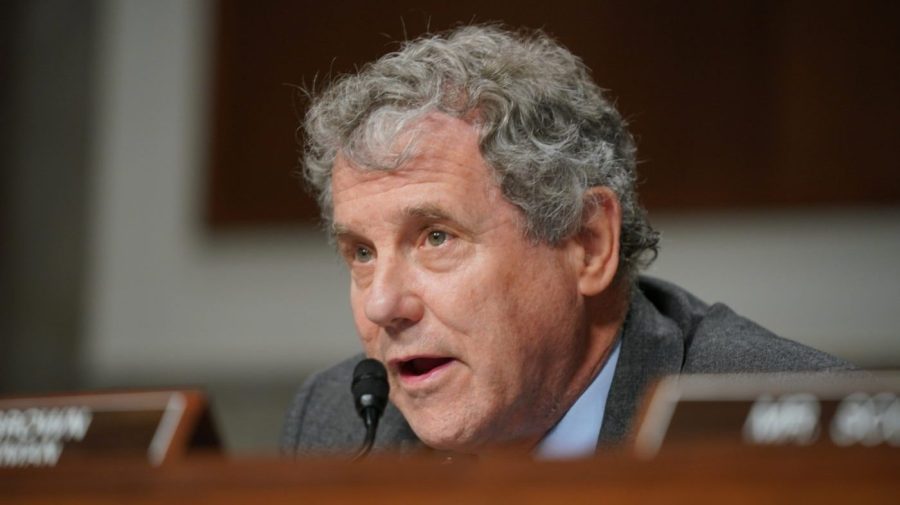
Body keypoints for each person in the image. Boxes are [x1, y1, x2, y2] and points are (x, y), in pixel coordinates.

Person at [281, 25, 852, 458]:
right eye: (361, 252)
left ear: (589, 244)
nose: (382, 305)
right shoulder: (334, 422)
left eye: (435, 237)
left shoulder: (783, 432)